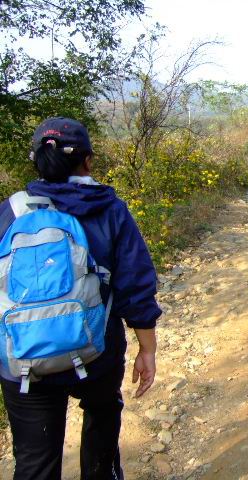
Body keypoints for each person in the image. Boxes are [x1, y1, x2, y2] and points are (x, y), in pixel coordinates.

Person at [0, 117, 161, 480]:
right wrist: (147, 349)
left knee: (34, 463)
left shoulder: (9, 212)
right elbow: (135, 286)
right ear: (88, 160)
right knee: (103, 419)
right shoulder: (109, 209)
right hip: (97, 352)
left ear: (37, 161)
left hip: (23, 358)